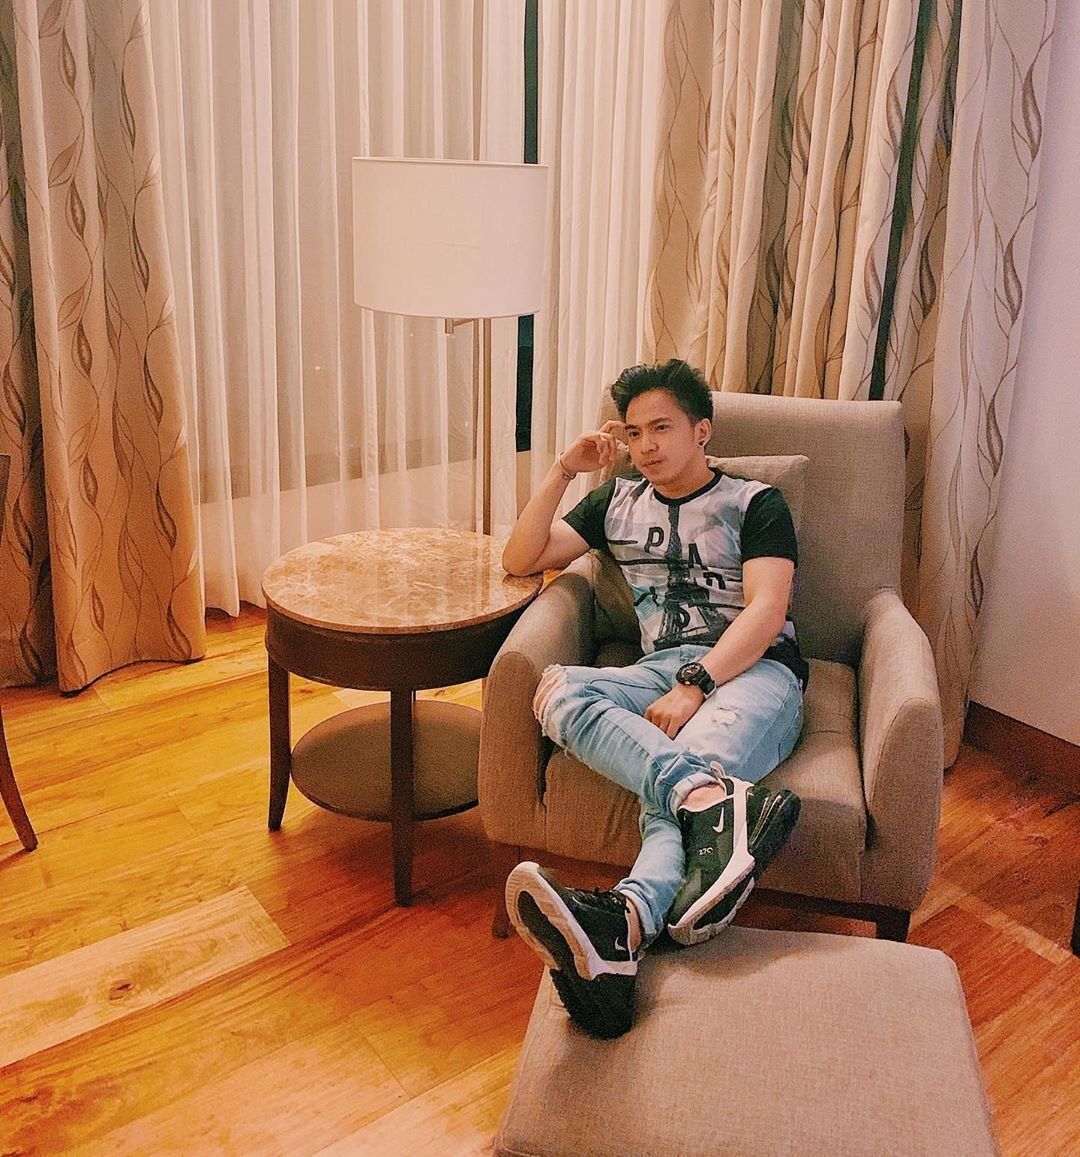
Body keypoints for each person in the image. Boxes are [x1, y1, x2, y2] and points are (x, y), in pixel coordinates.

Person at [500, 359, 807, 1038]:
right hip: (658, 669)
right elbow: (520, 558)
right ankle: (711, 802)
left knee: (681, 756)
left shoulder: (756, 502)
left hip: (755, 668)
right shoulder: (616, 501)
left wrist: (697, 684)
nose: (645, 446)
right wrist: (564, 470)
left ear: (702, 430)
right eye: (634, 432)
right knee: (557, 689)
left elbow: (766, 611)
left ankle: (624, 924)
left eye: (662, 427)